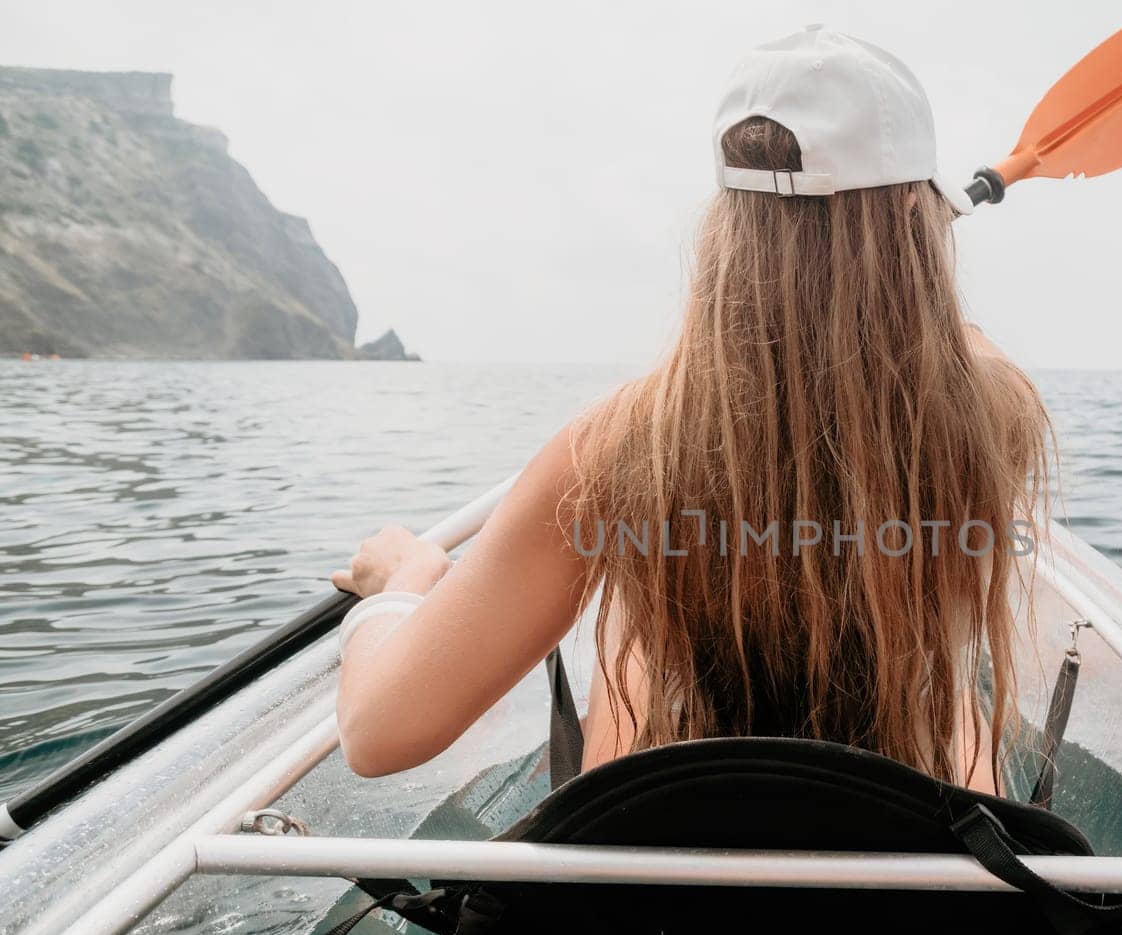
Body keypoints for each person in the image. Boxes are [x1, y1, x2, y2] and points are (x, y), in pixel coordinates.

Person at [331, 26, 1049, 796]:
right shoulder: (994, 416)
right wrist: (916, 253)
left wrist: (407, 581)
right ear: (917, 221)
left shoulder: (618, 451)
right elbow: (969, 350)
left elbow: (378, 732)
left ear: (725, 232)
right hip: (909, 864)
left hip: (673, 876)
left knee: (639, 629)